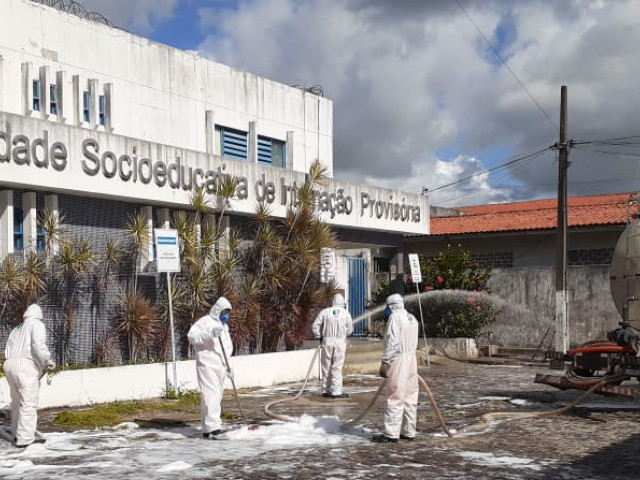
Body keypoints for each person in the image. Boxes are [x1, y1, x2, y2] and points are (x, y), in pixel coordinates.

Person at [3, 304, 55, 448]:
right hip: (25, 366)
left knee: (16, 402)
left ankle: (16, 433)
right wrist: (47, 360)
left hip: (9, 364)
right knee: (28, 403)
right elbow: (38, 345)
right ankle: (25, 439)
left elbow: (8, 348)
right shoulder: (36, 324)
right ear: (39, 314)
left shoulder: (18, 328)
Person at [372, 293, 419, 443]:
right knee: (411, 396)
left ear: (391, 306)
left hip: (399, 359)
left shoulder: (395, 317)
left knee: (395, 395)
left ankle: (391, 434)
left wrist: (386, 361)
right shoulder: (412, 318)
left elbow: (393, 342)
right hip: (411, 359)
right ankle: (409, 431)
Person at [187, 296, 234, 438]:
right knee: (210, 394)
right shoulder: (205, 322)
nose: (226, 315)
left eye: (227, 312)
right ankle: (212, 427)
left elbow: (227, 348)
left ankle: (209, 428)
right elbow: (192, 337)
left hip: (220, 366)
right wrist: (209, 334)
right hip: (207, 364)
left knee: (217, 395)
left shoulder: (224, 327)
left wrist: (229, 367)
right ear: (217, 310)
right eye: (224, 312)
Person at [312, 293, 353, 398]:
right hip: (340, 342)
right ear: (343, 303)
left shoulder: (325, 312)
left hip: (327, 341)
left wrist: (318, 336)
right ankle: (336, 391)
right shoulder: (345, 313)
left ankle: (326, 390)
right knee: (337, 367)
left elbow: (315, 325)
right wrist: (344, 334)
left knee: (326, 366)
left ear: (333, 302)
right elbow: (350, 330)